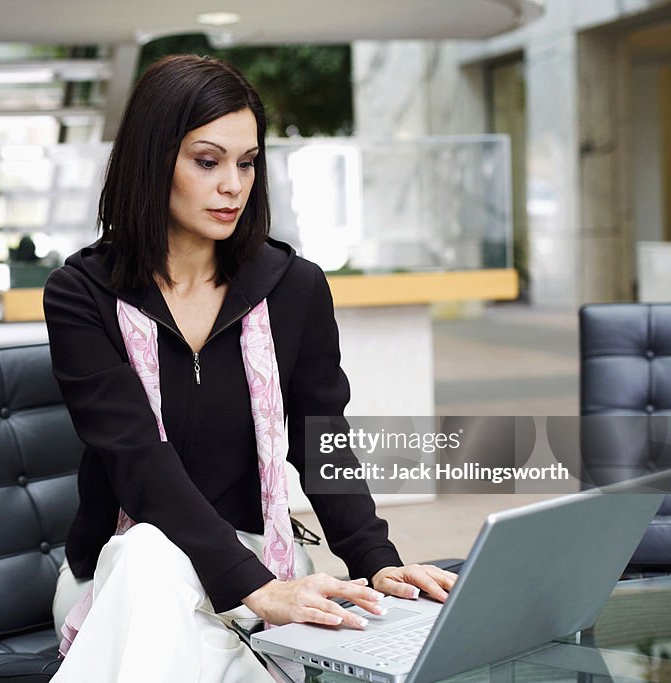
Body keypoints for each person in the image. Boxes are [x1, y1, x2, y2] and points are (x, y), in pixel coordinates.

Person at [43, 54, 457, 682]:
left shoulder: (294, 288)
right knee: (151, 552)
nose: (233, 185)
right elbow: (138, 463)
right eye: (207, 161)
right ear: (153, 160)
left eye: (247, 162)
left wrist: (374, 559)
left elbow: (323, 445)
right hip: (122, 578)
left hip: (261, 560)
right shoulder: (81, 294)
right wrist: (252, 590)